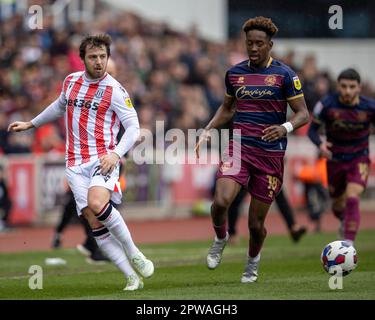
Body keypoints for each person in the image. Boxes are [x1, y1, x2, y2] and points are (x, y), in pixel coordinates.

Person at [8, 34, 154, 291]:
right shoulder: (71, 82)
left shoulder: (115, 90)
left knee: (98, 204)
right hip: (74, 163)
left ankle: (135, 253)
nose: (99, 62)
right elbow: (58, 106)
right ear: (83, 59)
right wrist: (32, 123)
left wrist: (116, 154)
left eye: (102, 57)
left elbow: (133, 128)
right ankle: (131, 276)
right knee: (93, 220)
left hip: (103, 159)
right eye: (93, 57)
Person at [195, 16, 309, 283]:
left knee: (256, 224)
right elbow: (227, 108)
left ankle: (252, 261)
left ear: (270, 44)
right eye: (249, 43)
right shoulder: (235, 74)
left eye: (259, 43)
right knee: (221, 201)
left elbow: (303, 114)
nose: (254, 48)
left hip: (270, 155)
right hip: (239, 147)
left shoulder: (285, 75)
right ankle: (221, 236)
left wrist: (285, 128)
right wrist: (208, 129)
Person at [308, 68, 375, 245]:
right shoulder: (325, 105)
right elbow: (312, 130)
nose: (347, 91)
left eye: (352, 87)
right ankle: (344, 222)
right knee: (337, 206)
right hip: (335, 160)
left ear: (359, 87)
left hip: (359, 158)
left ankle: (348, 244)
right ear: (338, 86)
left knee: (352, 196)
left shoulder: (370, 107)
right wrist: (320, 144)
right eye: (343, 86)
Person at [227, 187, 307, 245]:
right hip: (250, 169)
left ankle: (293, 227)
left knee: (280, 195)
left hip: (265, 169)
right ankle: (232, 233)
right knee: (237, 199)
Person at [294, 153, 329, 233]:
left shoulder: (320, 164)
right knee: (317, 205)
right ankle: (317, 224)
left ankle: (317, 223)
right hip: (321, 187)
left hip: (320, 187)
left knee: (317, 205)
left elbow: (317, 176)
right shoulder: (320, 164)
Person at [0, 165, 12, 232]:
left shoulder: (3, 184)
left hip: (1, 204)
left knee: (8, 203)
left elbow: (5, 196)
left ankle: (3, 222)